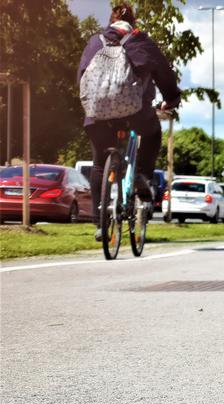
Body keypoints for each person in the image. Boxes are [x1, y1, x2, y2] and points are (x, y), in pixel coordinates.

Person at [77, 2, 181, 241]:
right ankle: (142, 175)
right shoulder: (140, 41)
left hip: (97, 114)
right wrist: (171, 99)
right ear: (132, 23)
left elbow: (81, 77)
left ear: (111, 21)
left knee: (99, 164)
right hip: (134, 112)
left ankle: (99, 223)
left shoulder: (94, 42)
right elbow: (164, 73)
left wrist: (91, 105)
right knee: (153, 132)